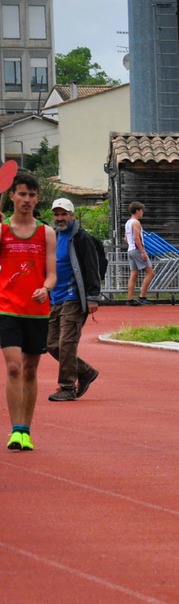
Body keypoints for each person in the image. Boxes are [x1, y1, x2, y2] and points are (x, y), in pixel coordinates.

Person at [1, 171, 57, 451]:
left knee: (30, 371)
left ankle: (26, 430)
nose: (27, 199)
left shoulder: (46, 232)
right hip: (7, 308)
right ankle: (15, 430)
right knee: (14, 367)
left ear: (37, 199)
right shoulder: (2, 230)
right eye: (22, 194)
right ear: (12, 196)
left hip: (36, 310)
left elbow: (52, 274)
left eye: (31, 195)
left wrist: (45, 289)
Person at [45, 198, 102, 403]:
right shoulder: (53, 236)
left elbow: (91, 266)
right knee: (51, 344)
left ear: (72, 215)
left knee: (66, 344)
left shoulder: (81, 238)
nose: (60, 218)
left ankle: (67, 387)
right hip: (56, 298)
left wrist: (93, 296)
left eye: (64, 214)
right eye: (57, 214)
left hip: (74, 298)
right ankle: (85, 372)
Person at [124, 201, 154, 305]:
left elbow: (126, 238)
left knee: (134, 274)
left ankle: (130, 299)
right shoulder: (136, 222)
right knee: (150, 273)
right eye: (141, 211)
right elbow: (137, 237)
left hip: (130, 249)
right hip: (137, 249)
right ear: (137, 211)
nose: (142, 213)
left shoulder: (128, 223)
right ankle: (142, 296)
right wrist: (142, 251)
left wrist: (131, 245)